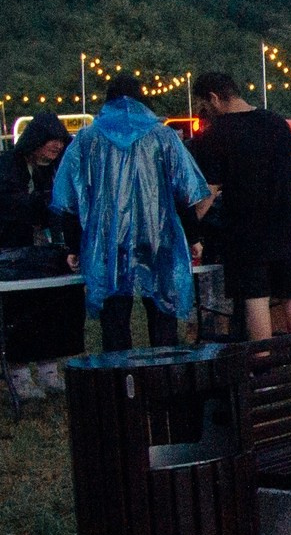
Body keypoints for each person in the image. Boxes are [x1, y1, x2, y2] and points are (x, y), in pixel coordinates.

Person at [52, 73, 213, 351]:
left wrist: (73, 243)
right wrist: (192, 235)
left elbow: (71, 197)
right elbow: (184, 190)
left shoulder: (88, 139)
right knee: (162, 307)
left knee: (114, 314)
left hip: (107, 238)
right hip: (157, 234)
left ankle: (120, 372)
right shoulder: (163, 136)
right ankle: (164, 368)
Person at [190, 72, 291, 341]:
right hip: (287, 225)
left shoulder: (216, 135)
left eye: (204, 105)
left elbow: (208, 191)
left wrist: (189, 226)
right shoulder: (276, 122)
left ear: (214, 98)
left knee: (255, 300)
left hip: (246, 232)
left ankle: (264, 361)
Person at [0, 112, 84, 402]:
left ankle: (49, 368)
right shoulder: (6, 166)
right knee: (19, 310)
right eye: (52, 141)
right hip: (10, 251)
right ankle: (19, 373)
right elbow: (4, 204)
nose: (57, 146)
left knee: (54, 305)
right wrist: (41, 202)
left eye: (61, 142)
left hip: (45, 251)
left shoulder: (54, 168)